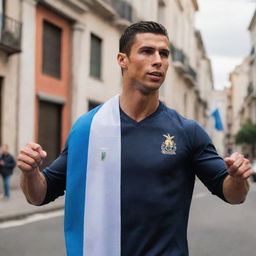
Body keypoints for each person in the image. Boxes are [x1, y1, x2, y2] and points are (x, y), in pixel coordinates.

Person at [17, 21, 252, 256]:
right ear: (123, 60)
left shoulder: (187, 132)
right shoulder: (89, 128)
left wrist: (238, 177)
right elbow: (40, 195)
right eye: (147, 51)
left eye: (164, 53)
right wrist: (30, 172)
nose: (158, 60)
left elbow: (233, 195)